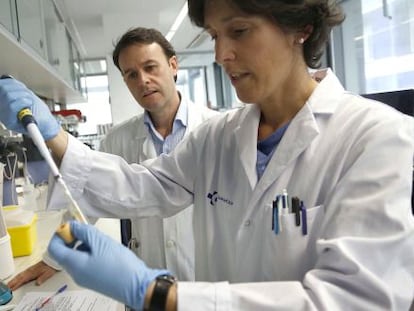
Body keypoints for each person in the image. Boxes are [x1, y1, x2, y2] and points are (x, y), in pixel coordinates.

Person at [1, 0, 414, 310]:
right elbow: (146, 185)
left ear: (300, 27)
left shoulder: (377, 137)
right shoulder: (219, 136)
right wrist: (52, 136)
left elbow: (356, 300)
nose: (221, 56)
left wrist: (157, 293)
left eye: (239, 31)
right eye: (216, 36)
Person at [6, 27, 218, 291]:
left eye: (151, 67)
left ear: (173, 65)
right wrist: (55, 257)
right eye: (131, 74)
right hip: (148, 274)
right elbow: (85, 203)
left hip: (206, 277)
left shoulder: (215, 130)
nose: (143, 80)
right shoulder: (118, 140)